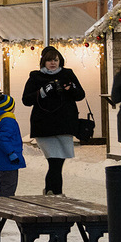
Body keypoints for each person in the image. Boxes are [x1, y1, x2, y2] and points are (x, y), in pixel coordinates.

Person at [22, 45, 84, 196]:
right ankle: (55, 193)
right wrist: (43, 92)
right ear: (43, 62)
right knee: (54, 162)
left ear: (60, 60)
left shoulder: (67, 74)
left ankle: (51, 192)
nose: (53, 63)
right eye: (49, 60)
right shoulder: (36, 77)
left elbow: (80, 95)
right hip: (44, 126)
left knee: (58, 163)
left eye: (55, 60)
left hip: (64, 125)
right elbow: (26, 100)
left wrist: (71, 89)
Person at [0, 93, 25, 196]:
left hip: (5, 161)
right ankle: (4, 208)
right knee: (8, 188)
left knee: (6, 185)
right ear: (10, 108)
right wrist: (11, 153)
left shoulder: (3, 119)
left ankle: (4, 205)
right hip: (9, 161)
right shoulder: (8, 121)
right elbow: (3, 139)